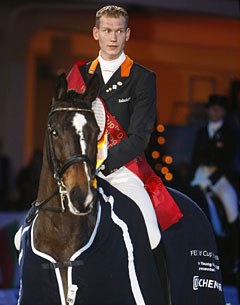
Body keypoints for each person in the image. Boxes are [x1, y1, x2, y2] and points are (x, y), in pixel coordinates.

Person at [67, 5, 183, 253]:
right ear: (96, 33)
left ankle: (158, 289)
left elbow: (140, 136)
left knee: (152, 234)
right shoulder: (78, 76)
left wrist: (104, 163)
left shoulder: (142, 78)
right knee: (30, 228)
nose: (113, 37)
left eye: (119, 31)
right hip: (78, 168)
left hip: (121, 170)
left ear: (127, 34)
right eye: (107, 30)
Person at [189, 94, 239, 276]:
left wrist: (214, 179)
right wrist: (190, 179)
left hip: (219, 177)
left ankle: (234, 256)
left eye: (219, 109)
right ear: (208, 110)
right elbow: (194, 157)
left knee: (232, 208)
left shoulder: (231, 133)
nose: (215, 112)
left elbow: (228, 160)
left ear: (224, 112)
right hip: (200, 174)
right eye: (212, 108)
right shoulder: (201, 132)